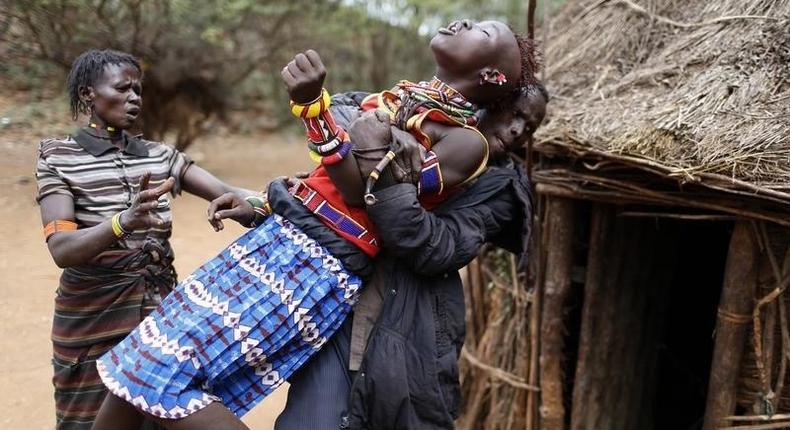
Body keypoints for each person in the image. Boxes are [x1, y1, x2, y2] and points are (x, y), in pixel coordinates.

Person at [91, 19, 535, 430]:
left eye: (482, 30)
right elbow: (333, 172)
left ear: (492, 76)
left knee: (161, 375)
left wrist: (314, 111)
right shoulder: (398, 98)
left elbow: (361, 193)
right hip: (277, 242)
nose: (462, 23)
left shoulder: (466, 145)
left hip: (313, 266)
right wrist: (264, 202)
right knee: (135, 362)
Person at [274, 83, 549, 429]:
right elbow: (346, 111)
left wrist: (386, 170)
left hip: (409, 334)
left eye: (530, 127)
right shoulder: (414, 118)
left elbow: (433, 247)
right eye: (516, 114)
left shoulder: (500, 189)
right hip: (338, 313)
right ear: (488, 102)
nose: (518, 130)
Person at [35, 49, 258, 430]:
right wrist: (123, 222)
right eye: (122, 89)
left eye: (137, 90)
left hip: (160, 317)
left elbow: (227, 192)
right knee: (88, 420)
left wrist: (276, 200)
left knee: (165, 411)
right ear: (89, 94)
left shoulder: (160, 156)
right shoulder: (59, 158)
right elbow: (62, 249)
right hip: (92, 320)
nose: (134, 97)